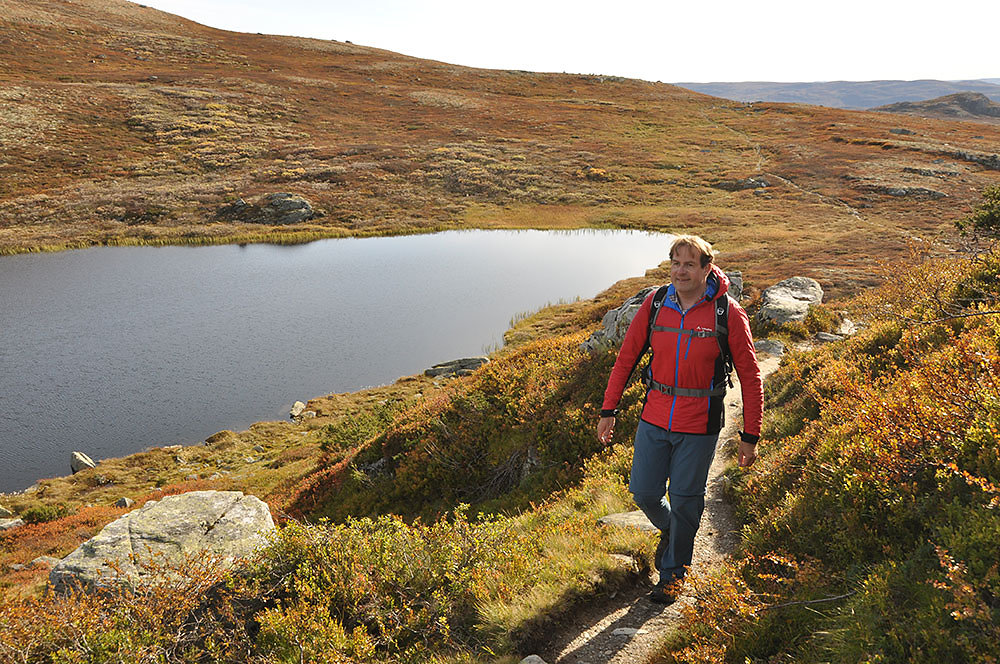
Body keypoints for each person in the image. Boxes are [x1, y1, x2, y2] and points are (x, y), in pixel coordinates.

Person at [596, 234, 762, 604]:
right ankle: (674, 532)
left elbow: (750, 377)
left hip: (699, 424)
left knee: (686, 499)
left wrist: (750, 434)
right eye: (675, 262)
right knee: (644, 492)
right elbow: (626, 359)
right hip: (654, 416)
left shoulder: (728, 313)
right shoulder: (655, 304)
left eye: (689, 263)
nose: (680, 271)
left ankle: (672, 576)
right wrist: (609, 410)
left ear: (707, 268)